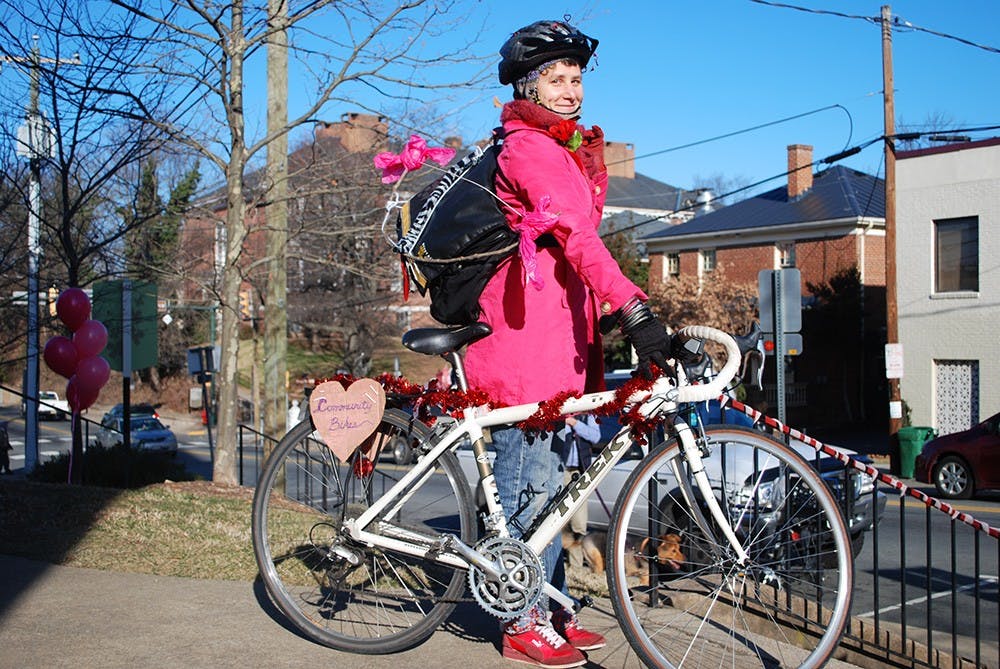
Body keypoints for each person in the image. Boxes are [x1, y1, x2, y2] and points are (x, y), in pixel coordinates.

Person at [464, 19, 683, 669]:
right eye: (556, 79)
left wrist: (610, 315)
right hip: (520, 347)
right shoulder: (528, 150)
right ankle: (518, 618)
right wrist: (634, 307)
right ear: (529, 86)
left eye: (576, 77)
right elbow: (579, 242)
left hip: (556, 344)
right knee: (529, 484)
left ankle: (548, 597)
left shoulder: (558, 149)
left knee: (556, 485)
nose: (570, 90)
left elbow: (569, 258)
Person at [557, 414, 600, 569]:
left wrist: (574, 423)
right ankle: (558, 563)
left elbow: (595, 436)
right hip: (560, 470)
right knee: (558, 519)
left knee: (579, 522)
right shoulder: (559, 413)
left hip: (580, 471)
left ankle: (576, 565)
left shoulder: (588, 415)